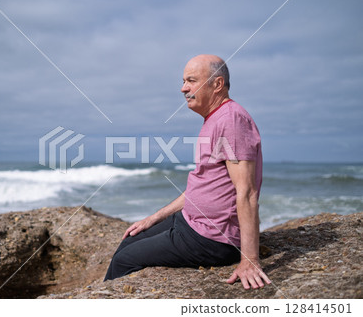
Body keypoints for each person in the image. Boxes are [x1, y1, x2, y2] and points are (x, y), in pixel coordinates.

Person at [104, 54, 271, 290]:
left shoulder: (231, 120)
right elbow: (202, 186)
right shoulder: (213, 118)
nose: (183, 88)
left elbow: (247, 192)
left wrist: (250, 260)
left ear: (217, 84)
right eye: (183, 81)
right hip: (191, 221)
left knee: (124, 261)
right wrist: (153, 218)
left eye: (191, 81)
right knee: (128, 241)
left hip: (212, 238)